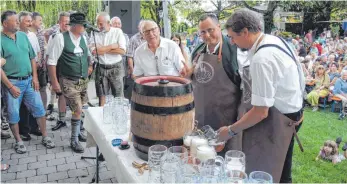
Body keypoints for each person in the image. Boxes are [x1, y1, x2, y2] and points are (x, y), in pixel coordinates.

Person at [217, 9, 305, 183]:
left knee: (268, 171)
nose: (232, 43)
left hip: (279, 121)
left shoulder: (262, 58)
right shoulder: (276, 40)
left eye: (233, 37)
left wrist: (230, 131)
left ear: (245, 32)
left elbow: (261, 112)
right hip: (292, 113)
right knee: (282, 169)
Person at [189, 13, 246, 153]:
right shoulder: (197, 51)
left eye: (210, 30)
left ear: (219, 27)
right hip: (201, 117)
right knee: (200, 156)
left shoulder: (235, 50)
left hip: (226, 118)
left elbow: (245, 89)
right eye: (203, 32)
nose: (207, 35)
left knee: (224, 159)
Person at [1, 10, 55, 154]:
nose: (18, 23)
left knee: (39, 110)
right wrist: (10, 86)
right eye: (15, 21)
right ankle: (18, 141)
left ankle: (45, 136)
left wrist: (35, 78)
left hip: (29, 81)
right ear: (5, 23)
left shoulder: (23, 36)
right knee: (13, 114)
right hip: (12, 83)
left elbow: (32, 57)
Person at [47, 12, 93, 153]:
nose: (85, 27)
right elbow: (51, 62)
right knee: (77, 109)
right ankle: (74, 140)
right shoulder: (60, 38)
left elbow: (88, 55)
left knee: (78, 109)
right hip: (68, 80)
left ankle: (78, 131)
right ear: (74, 26)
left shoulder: (84, 38)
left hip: (82, 81)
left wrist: (90, 66)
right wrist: (55, 83)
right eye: (83, 25)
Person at [90, 12, 126, 106]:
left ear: (108, 22)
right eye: (97, 23)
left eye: (101, 23)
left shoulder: (117, 32)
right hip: (100, 66)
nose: (99, 26)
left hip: (116, 67)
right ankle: (101, 117)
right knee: (101, 95)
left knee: (118, 96)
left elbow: (122, 51)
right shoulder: (94, 32)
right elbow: (94, 52)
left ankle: (119, 118)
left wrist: (102, 48)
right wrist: (112, 46)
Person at [17, 11, 43, 140]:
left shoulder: (32, 35)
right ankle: (24, 131)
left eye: (30, 21)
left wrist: (37, 65)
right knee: (22, 105)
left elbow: (37, 52)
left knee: (34, 101)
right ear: (19, 22)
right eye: (27, 21)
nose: (30, 23)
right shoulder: (15, 36)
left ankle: (34, 127)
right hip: (21, 75)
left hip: (34, 72)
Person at [46, 12, 70, 131]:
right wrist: (51, 79)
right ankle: (61, 120)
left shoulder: (76, 35)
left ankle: (79, 122)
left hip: (73, 71)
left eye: (68, 21)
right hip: (59, 69)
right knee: (61, 96)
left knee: (76, 97)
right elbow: (49, 56)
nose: (66, 23)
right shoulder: (54, 36)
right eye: (63, 21)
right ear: (59, 23)